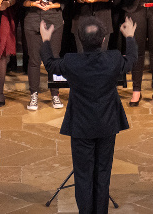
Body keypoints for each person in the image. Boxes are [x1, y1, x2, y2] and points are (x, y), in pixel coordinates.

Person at [39, 16, 137, 214]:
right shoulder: (113, 59)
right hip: (107, 124)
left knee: (83, 176)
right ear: (103, 40)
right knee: (103, 173)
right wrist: (130, 36)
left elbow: (49, 63)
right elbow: (132, 60)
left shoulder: (71, 62)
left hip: (81, 126)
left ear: (80, 40)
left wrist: (46, 39)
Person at [19, 0, 69, 110]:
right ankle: (34, 95)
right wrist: (32, 3)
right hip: (33, 20)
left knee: (54, 58)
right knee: (34, 60)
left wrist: (53, 5)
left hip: (53, 19)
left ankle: (55, 95)